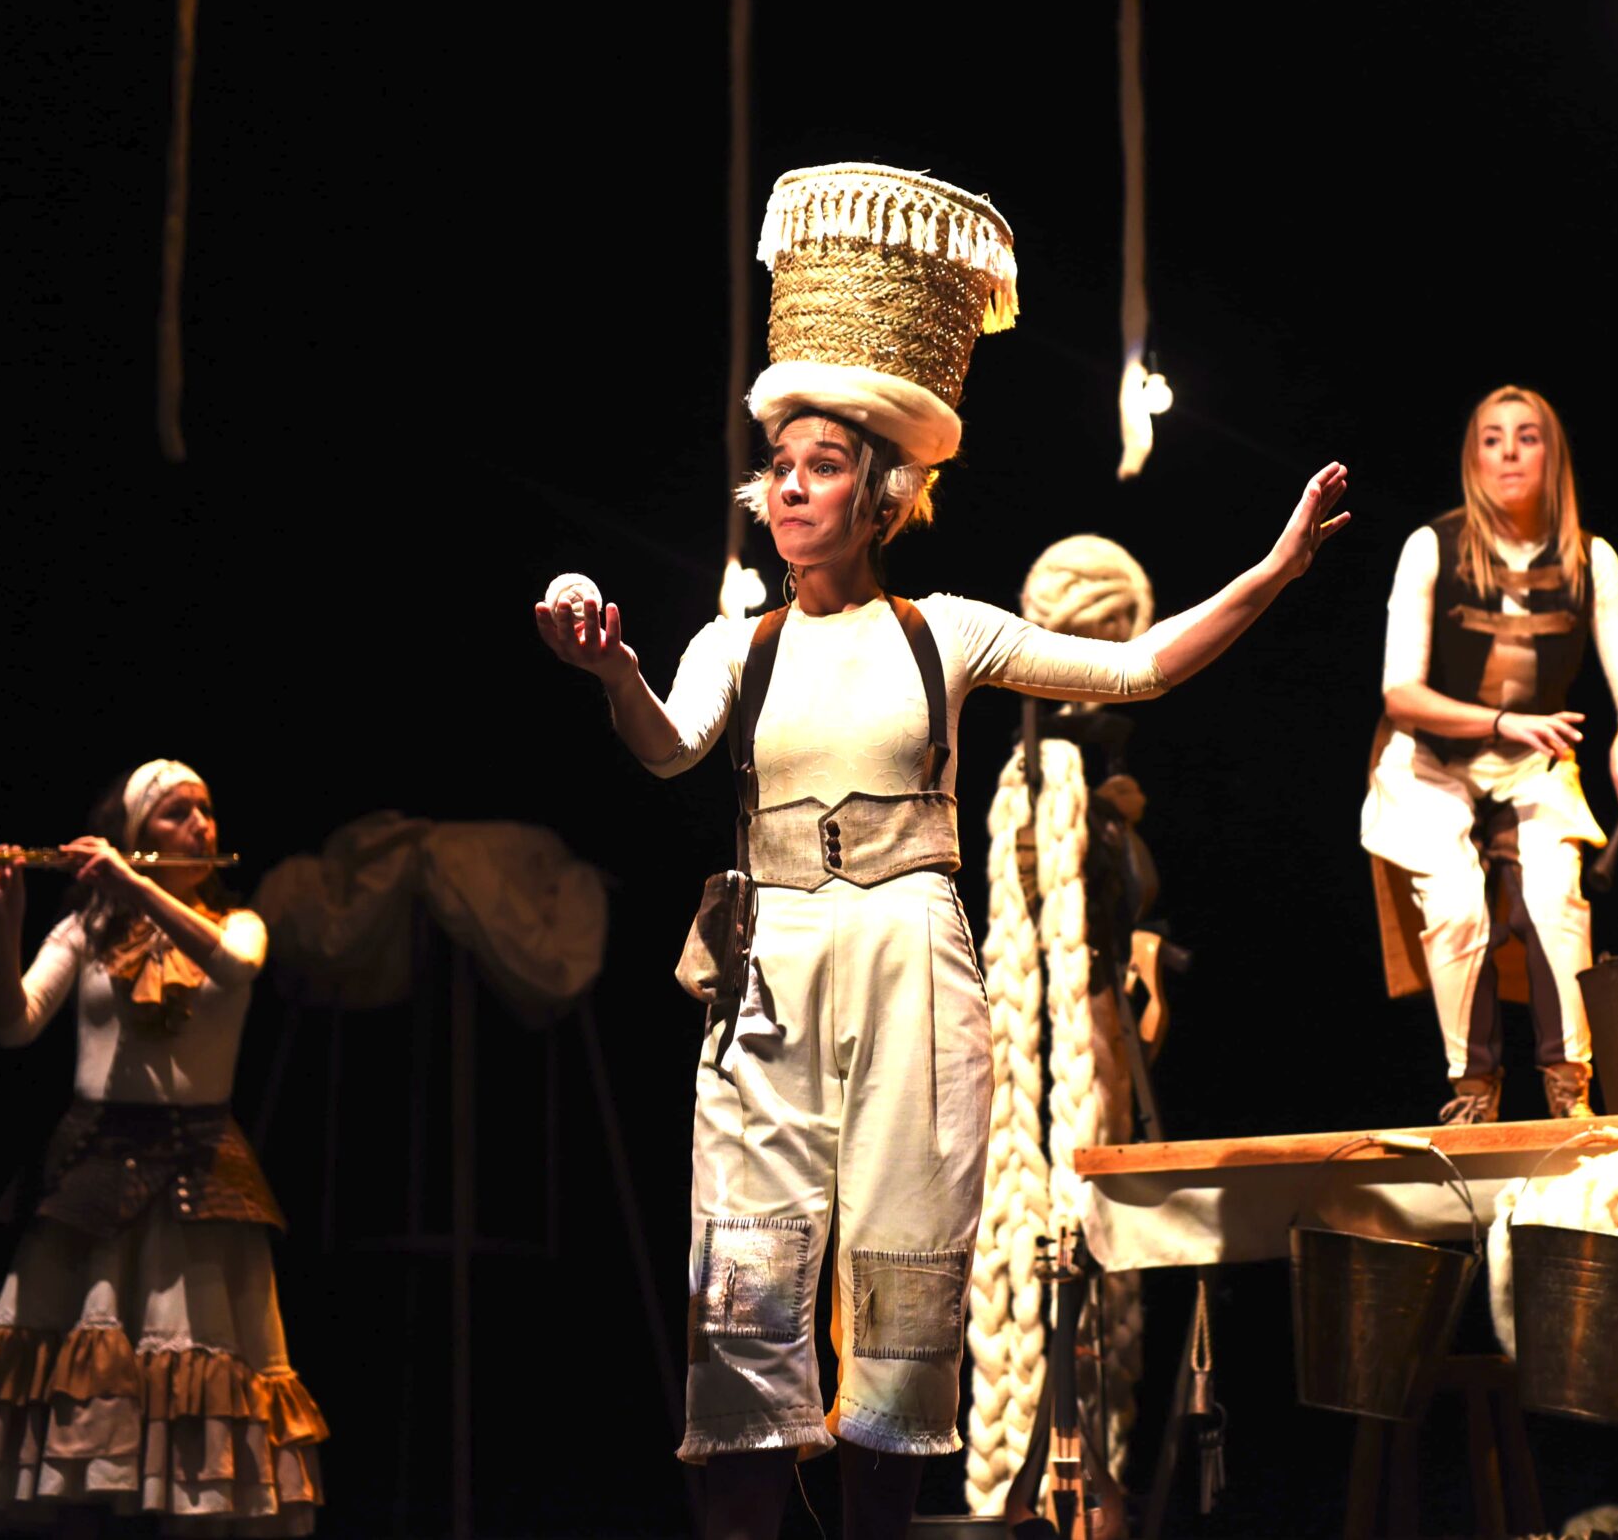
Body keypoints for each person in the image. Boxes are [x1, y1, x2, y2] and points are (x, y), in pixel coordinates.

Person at [535, 161, 1348, 1540]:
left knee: (905, 1275)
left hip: (911, 948)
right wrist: (612, 671)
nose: (793, 488)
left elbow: (1137, 667)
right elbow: (669, 747)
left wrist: (1268, 576)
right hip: (773, 962)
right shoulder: (736, 641)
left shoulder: (946, 631)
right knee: (745, 1282)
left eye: (823, 466)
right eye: (779, 468)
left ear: (881, 494)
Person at [0, 761, 326, 1536]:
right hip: (94, 1171)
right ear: (135, 832)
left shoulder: (239, 923)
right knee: (73, 1380)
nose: (201, 826)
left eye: (206, 809)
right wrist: (6, 921)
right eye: (177, 812)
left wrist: (130, 882)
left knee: (199, 1372)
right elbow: (13, 1024)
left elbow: (234, 966)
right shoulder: (87, 929)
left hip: (201, 1177)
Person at [1361, 385, 1618, 1125]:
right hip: (1429, 762)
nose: (1509, 453)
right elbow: (1400, 693)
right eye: (1492, 439)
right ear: (1473, 458)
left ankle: (1569, 1089)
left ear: (1552, 454)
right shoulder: (1432, 547)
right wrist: (1500, 720)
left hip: (1534, 765)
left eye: (1527, 436)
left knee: (1556, 900)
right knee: (1456, 909)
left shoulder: (1592, 558)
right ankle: (1473, 1092)